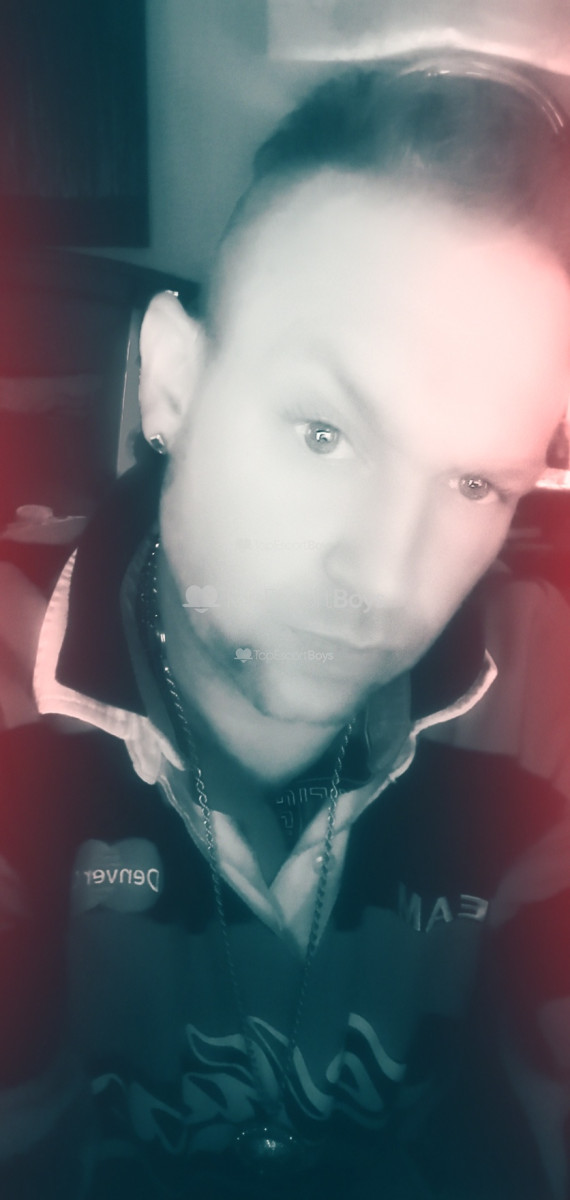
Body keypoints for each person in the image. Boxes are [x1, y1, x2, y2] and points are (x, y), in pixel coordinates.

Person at [2, 55, 570, 1200]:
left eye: (473, 483)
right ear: (171, 385)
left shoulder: (542, 701)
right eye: (324, 433)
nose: (386, 576)